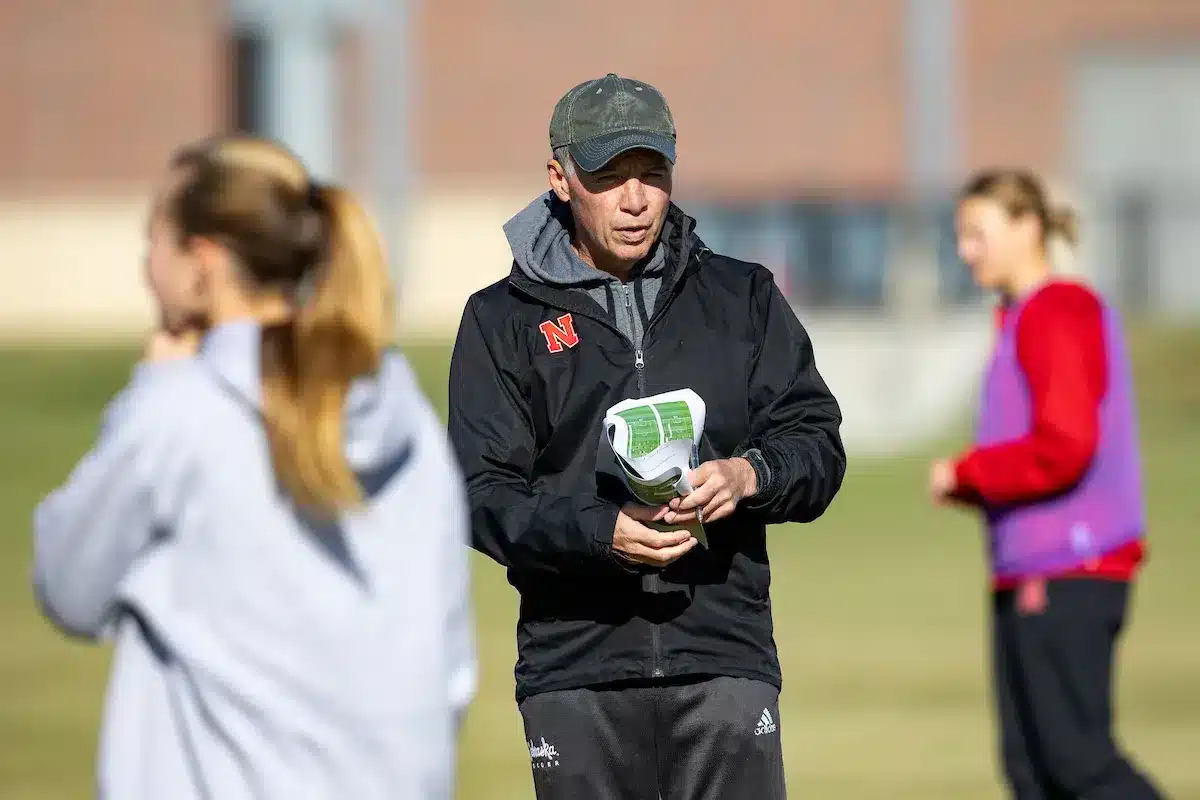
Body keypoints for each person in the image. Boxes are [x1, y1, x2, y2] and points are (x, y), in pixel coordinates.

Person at [32, 135, 475, 800]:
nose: (145, 261)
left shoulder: (178, 415)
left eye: (153, 239)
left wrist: (149, 389)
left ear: (200, 263)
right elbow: (450, 666)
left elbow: (69, 587)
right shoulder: (404, 413)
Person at [448, 73, 845, 799]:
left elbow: (817, 443)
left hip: (723, 663)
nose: (635, 200)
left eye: (652, 174)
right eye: (608, 177)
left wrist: (750, 475)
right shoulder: (498, 322)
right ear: (560, 179)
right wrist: (601, 532)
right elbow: (480, 495)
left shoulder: (743, 296)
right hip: (575, 674)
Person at [931, 168, 1163, 799]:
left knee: (1078, 763)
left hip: (1071, 568)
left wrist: (970, 471)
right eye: (960, 235)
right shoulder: (1017, 317)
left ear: (1028, 226)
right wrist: (974, 486)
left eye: (978, 233)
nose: (965, 250)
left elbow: (1066, 446)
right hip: (1029, 567)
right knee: (1030, 770)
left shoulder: (1059, 309)